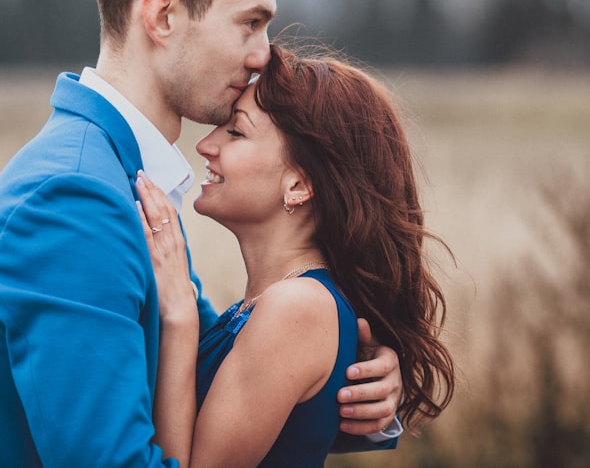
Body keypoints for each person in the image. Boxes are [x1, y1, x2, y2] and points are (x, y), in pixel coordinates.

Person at [0, 0, 403, 467]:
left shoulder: (126, 182)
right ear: (162, 15)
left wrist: (354, 396)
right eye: (248, 23)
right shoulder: (71, 201)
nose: (263, 54)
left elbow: (222, 381)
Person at [136, 43, 456, 467]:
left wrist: (177, 313)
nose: (206, 145)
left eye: (236, 132)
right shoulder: (273, 305)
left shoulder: (297, 308)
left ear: (299, 186)